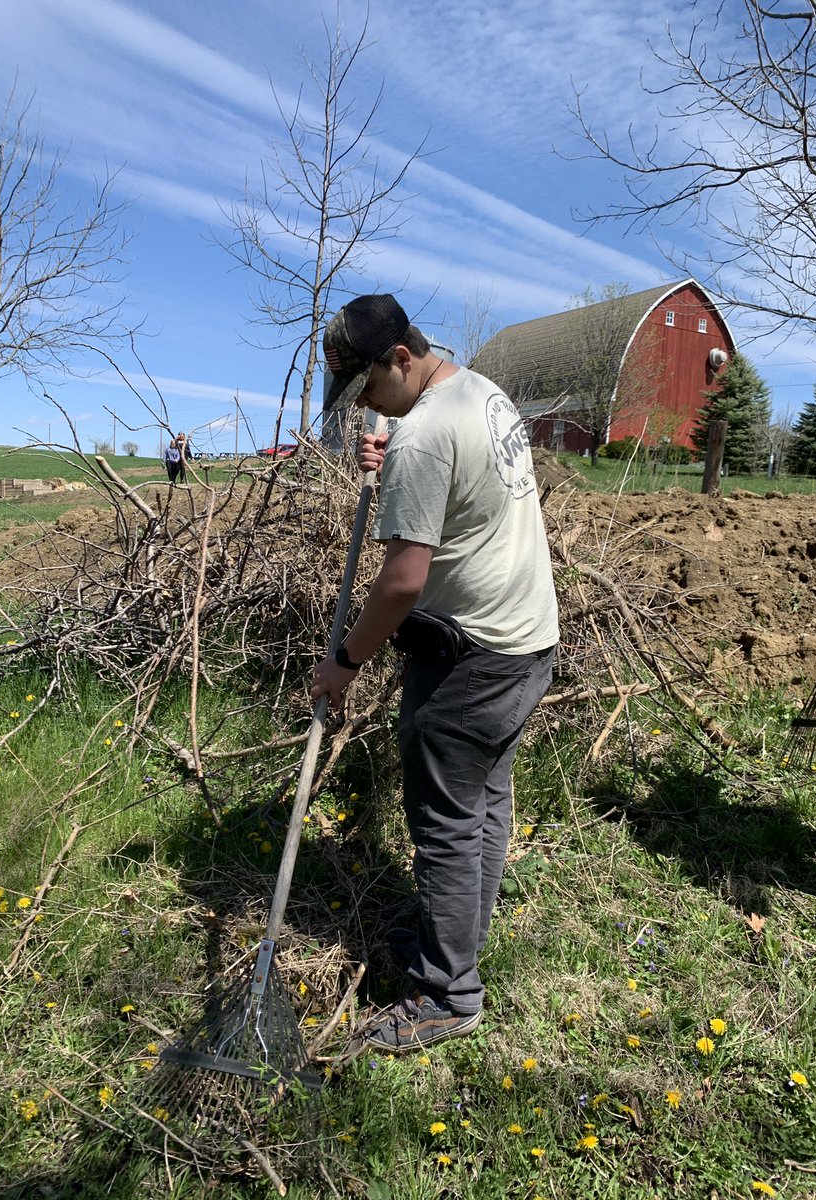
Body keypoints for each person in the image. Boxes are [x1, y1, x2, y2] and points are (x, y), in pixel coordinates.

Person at [311, 294, 559, 1053]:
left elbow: (399, 583)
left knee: (447, 823)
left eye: (367, 394)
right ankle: (459, 939)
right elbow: (468, 484)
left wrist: (343, 663)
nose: (363, 414)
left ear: (399, 359)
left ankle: (448, 992)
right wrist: (398, 460)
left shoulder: (421, 437)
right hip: (528, 640)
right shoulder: (480, 390)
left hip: (471, 657)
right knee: (484, 802)